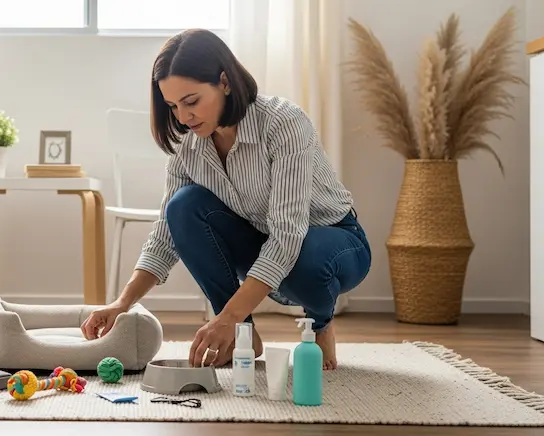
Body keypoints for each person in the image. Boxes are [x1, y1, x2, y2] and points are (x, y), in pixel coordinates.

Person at [80, 28, 371, 371]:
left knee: (306, 257)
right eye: (173, 106)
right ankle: (241, 334)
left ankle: (319, 325)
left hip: (333, 244)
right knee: (183, 206)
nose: (183, 117)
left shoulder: (283, 122)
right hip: (264, 244)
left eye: (191, 102)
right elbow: (165, 235)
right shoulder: (188, 145)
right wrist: (122, 303)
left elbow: (287, 234)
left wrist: (226, 316)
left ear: (225, 82)